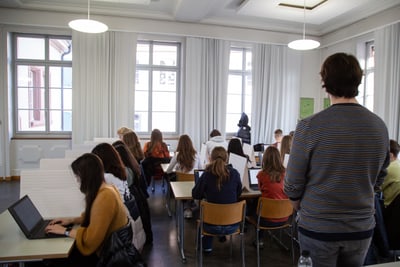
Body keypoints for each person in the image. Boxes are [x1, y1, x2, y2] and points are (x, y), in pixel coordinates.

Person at [284, 52, 390, 266]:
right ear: (358, 81)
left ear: (325, 83)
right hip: (360, 228)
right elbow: (380, 178)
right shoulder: (379, 126)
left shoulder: (309, 126)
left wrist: (300, 206)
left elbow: (292, 184)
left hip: (318, 227)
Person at [45, 153, 130, 266]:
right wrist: (72, 220)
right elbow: (97, 216)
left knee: (52, 260)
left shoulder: (105, 197)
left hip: (104, 256)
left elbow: (90, 240)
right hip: (110, 250)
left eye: (78, 176)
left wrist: (65, 231)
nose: (78, 180)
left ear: (86, 176)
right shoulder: (108, 189)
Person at [192, 146, 242, 253]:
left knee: (206, 211)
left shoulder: (206, 175)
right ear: (227, 159)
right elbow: (239, 194)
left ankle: (207, 248)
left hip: (211, 226)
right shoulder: (235, 173)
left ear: (210, 158)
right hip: (232, 225)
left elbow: (195, 194)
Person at [253, 146, 288, 248]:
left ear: (265, 159)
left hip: (266, 219)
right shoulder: (286, 173)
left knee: (255, 206)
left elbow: (260, 190)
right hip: (284, 217)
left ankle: (259, 240)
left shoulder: (261, 174)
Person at [166, 134, 202, 218]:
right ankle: (190, 206)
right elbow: (201, 169)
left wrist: (177, 170)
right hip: (194, 184)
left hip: (181, 186)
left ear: (179, 144)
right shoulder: (196, 154)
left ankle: (185, 208)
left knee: (172, 180)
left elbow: (168, 171)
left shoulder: (177, 155)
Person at [382, 139, 400, 248]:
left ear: (390, 154)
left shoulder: (389, 168)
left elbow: (375, 187)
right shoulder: (398, 164)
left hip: (394, 211)